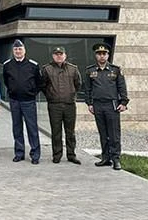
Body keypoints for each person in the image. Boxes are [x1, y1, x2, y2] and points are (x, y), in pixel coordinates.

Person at [84, 43, 129, 171]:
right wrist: (89, 103)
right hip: (98, 105)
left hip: (112, 105)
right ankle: (105, 158)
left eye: (104, 54)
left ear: (108, 55)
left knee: (114, 134)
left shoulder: (116, 70)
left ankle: (116, 159)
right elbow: (87, 89)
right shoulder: (90, 71)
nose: (102, 56)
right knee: (103, 133)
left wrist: (124, 103)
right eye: (99, 54)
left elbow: (122, 87)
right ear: (96, 55)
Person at [2, 39, 43, 164]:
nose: (18, 51)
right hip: (14, 101)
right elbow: (6, 81)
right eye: (15, 49)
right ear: (13, 51)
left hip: (28, 101)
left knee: (32, 128)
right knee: (17, 128)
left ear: (24, 50)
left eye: (20, 49)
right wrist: (12, 91)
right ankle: (19, 153)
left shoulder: (33, 65)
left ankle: (35, 155)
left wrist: (32, 93)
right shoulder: (7, 65)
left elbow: (39, 82)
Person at [41, 46, 82, 165]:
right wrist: (50, 95)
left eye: (61, 54)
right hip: (54, 105)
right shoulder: (47, 69)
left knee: (70, 132)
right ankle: (57, 155)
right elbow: (43, 85)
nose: (59, 56)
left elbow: (78, 84)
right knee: (56, 131)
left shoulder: (73, 69)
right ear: (53, 56)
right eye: (56, 54)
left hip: (69, 105)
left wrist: (71, 95)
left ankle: (71, 155)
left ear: (65, 55)